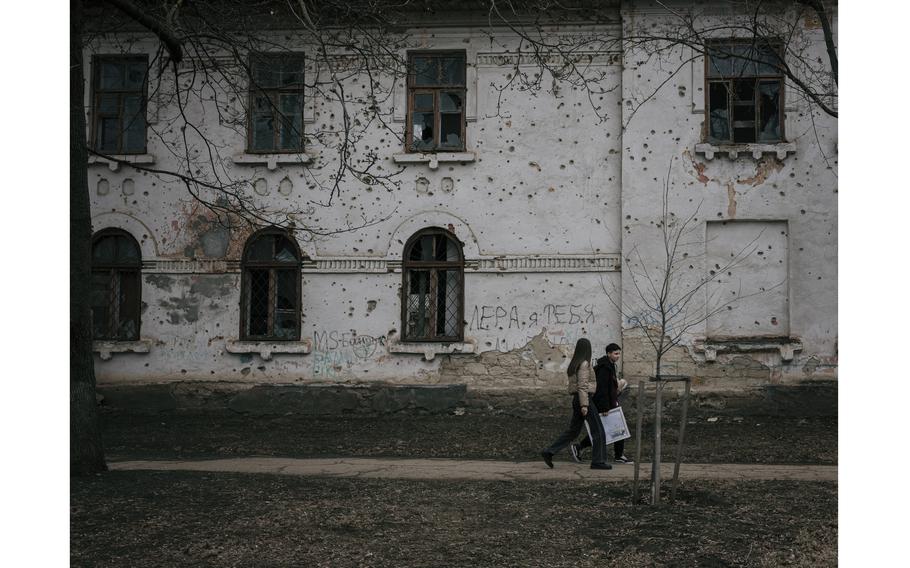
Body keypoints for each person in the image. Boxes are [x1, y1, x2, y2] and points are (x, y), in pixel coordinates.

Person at [541, 338, 612, 470]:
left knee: (573, 431)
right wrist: (584, 405)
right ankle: (598, 461)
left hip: (577, 399)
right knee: (598, 430)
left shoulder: (575, 363)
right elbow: (583, 385)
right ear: (587, 349)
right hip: (584, 399)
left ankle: (549, 451)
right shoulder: (584, 364)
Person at [570, 343, 633, 464]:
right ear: (608, 353)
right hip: (605, 404)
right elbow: (602, 388)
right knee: (607, 429)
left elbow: (610, 386)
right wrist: (605, 407)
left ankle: (618, 455)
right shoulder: (605, 368)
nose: (618, 356)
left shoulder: (610, 365)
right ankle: (580, 447)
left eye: (619, 353)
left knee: (616, 428)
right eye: (615, 353)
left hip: (611, 402)